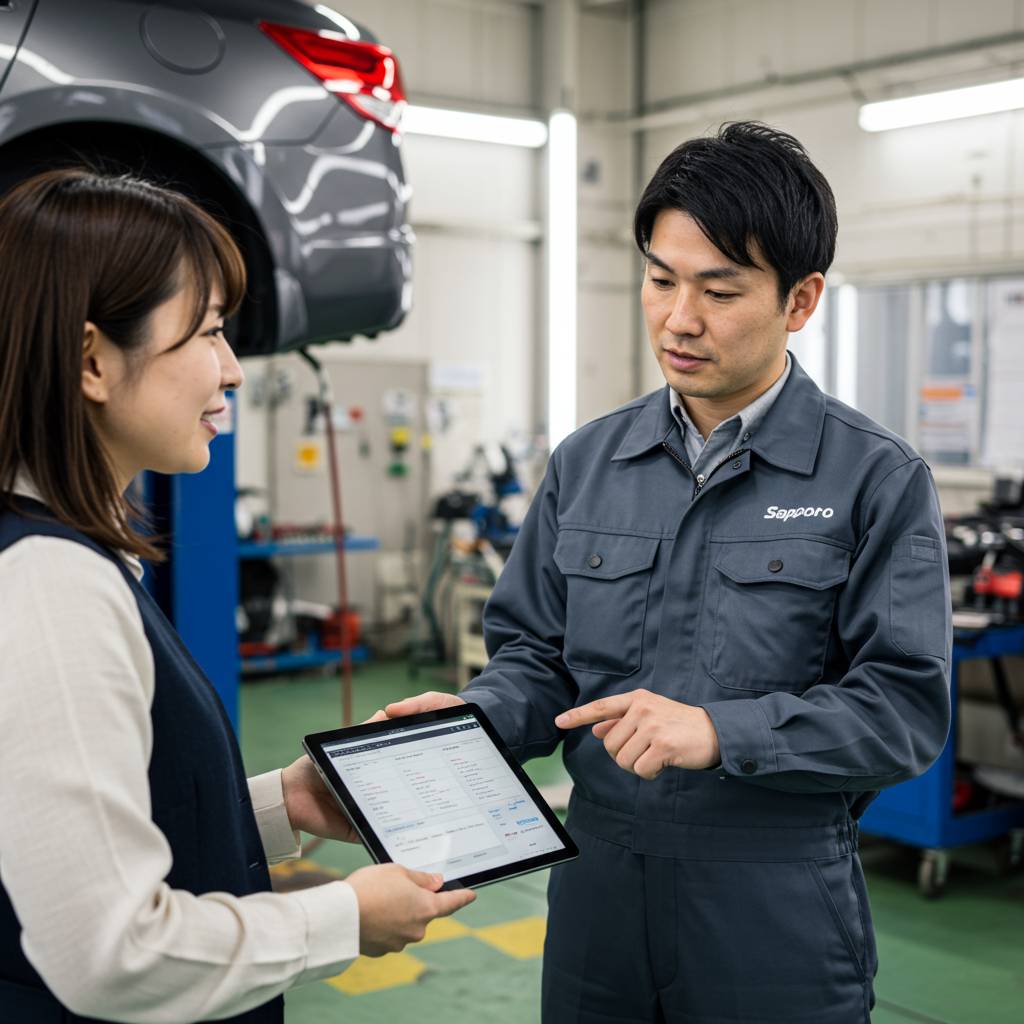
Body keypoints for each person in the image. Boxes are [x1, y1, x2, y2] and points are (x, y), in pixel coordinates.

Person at [386, 122, 952, 1023]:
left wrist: (724, 732)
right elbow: (538, 658)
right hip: (597, 899)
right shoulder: (589, 463)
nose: (680, 319)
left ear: (800, 300)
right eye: (660, 280)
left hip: (772, 912)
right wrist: (476, 716)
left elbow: (903, 711)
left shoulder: (875, 480)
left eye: (719, 290)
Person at [0, 169, 474, 1024]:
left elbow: (66, 847)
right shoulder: (47, 581)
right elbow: (113, 953)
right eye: (209, 333)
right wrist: (343, 917)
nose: (233, 371)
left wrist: (279, 804)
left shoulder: (72, 557)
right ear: (92, 360)